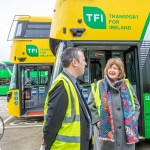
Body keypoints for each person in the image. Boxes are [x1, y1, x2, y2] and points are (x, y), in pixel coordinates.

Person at [43, 47, 93, 150]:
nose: (85, 64)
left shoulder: (71, 82)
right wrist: (47, 145)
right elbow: (52, 122)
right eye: (83, 60)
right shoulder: (62, 84)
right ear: (75, 62)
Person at [88, 57, 140, 150]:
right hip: (105, 135)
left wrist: (133, 119)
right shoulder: (98, 86)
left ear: (120, 72)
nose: (111, 70)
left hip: (125, 134)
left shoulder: (128, 86)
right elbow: (90, 106)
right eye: (109, 68)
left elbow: (136, 105)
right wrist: (98, 122)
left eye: (115, 68)